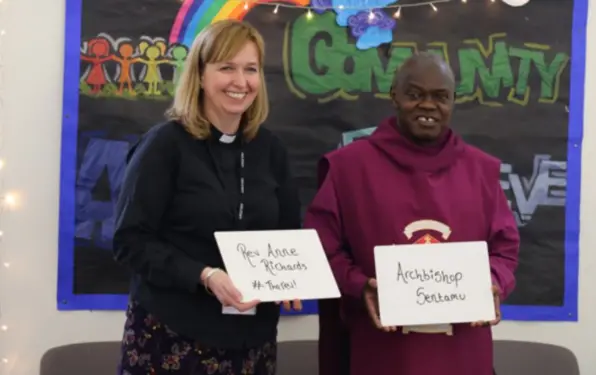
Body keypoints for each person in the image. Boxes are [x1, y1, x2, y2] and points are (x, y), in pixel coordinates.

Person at [304, 52, 520, 375]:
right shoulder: (348, 167)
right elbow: (320, 248)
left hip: (461, 354)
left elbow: (505, 248)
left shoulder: (482, 170)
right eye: (415, 95)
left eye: (440, 97)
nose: (428, 106)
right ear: (394, 96)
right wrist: (359, 284)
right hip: (381, 352)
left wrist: (494, 281)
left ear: (453, 101)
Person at [113, 20, 302, 375]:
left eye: (251, 69)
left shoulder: (271, 150)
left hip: (252, 343)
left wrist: (293, 278)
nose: (240, 82)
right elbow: (130, 241)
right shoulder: (164, 145)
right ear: (199, 75)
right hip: (171, 338)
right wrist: (206, 274)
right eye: (226, 67)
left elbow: (288, 233)